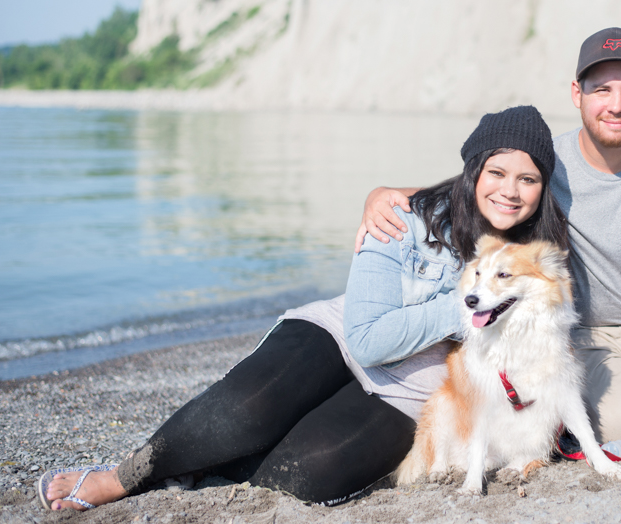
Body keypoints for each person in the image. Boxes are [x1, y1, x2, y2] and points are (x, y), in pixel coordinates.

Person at [41, 105, 567, 511]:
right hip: (345, 333)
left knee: (308, 475)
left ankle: (204, 470)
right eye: (497, 172)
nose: (510, 191)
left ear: (543, 190)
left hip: (416, 386)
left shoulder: (537, 264)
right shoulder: (407, 217)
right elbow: (368, 340)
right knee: (245, 411)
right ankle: (124, 476)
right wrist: (472, 308)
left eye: (528, 179)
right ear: (474, 170)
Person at [357, 27, 621, 444]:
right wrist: (385, 196)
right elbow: (476, 190)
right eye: (601, 90)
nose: (616, 105)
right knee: (616, 428)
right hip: (583, 333)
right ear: (577, 94)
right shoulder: (544, 166)